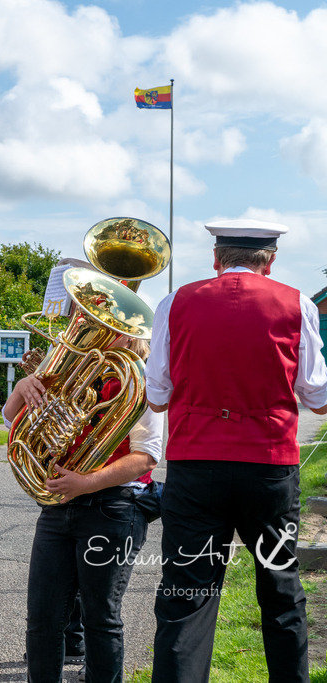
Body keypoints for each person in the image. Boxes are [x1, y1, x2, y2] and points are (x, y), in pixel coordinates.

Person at [147, 219, 327, 683]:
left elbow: (157, 397)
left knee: (186, 597)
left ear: (216, 258)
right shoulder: (298, 303)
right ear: (270, 261)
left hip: (194, 466)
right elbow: (319, 400)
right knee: (281, 591)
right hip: (268, 468)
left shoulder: (175, 302)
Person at [5, 336, 162, 683]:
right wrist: (22, 389)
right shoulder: (69, 371)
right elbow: (13, 423)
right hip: (59, 506)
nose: (99, 329)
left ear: (131, 333)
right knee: (42, 618)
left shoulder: (140, 377)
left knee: (100, 619)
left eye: (111, 325)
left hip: (114, 507)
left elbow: (146, 456)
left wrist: (86, 482)